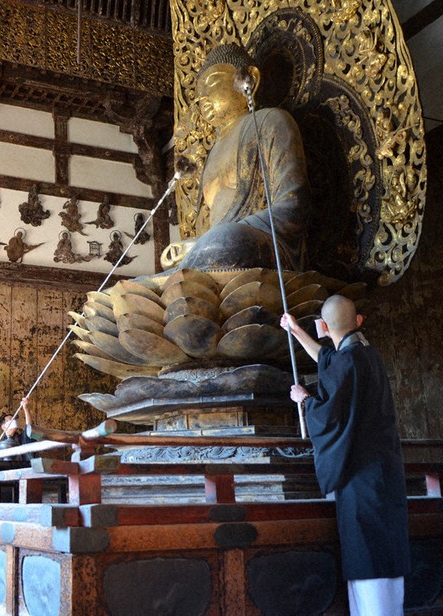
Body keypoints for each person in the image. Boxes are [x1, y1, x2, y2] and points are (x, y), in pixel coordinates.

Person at [281, 296, 410, 616]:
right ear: (360, 321)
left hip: (360, 477)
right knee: (387, 556)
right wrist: (296, 332)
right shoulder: (368, 355)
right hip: (385, 476)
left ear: (323, 326)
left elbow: (329, 418)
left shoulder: (347, 363)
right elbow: (327, 359)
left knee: (369, 558)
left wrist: (306, 399)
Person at [162, 43, 310, 271]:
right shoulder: (210, 157)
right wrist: (192, 246)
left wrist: (215, 240)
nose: (204, 98)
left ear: (250, 79)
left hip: (261, 248)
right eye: (199, 94)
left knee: (226, 241)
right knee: (129, 288)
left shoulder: (271, 122)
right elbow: (204, 232)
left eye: (211, 84)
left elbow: (294, 206)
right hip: (215, 254)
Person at [0, 397, 36, 462]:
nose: (13, 421)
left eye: (14, 419)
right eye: (10, 420)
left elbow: (29, 428)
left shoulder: (22, 438)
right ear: (3, 426)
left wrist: (26, 408)